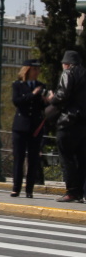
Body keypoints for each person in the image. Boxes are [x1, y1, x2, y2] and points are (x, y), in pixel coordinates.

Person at [44, 50, 86, 203]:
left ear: (67, 64)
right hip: (82, 123)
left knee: (66, 158)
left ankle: (71, 192)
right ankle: (80, 192)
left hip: (68, 122)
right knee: (81, 159)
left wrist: (51, 99)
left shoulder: (68, 73)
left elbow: (62, 95)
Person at [10, 59, 46, 198]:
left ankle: (29, 189)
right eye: (34, 69)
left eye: (38, 70)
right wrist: (33, 94)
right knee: (18, 158)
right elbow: (17, 101)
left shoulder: (41, 86)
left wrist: (46, 100)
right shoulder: (18, 85)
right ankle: (16, 188)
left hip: (35, 127)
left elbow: (42, 108)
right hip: (20, 126)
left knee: (33, 159)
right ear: (27, 70)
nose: (37, 72)